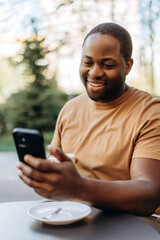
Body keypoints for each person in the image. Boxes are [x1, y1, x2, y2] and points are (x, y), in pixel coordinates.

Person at [16, 23, 160, 232]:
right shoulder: (70, 109)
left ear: (127, 66)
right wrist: (46, 180)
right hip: (74, 213)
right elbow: (61, 178)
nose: (94, 72)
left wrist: (78, 187)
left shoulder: (150, 112)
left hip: (139, 221)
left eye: (107, 65)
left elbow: (149, 194)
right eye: (87, 62)